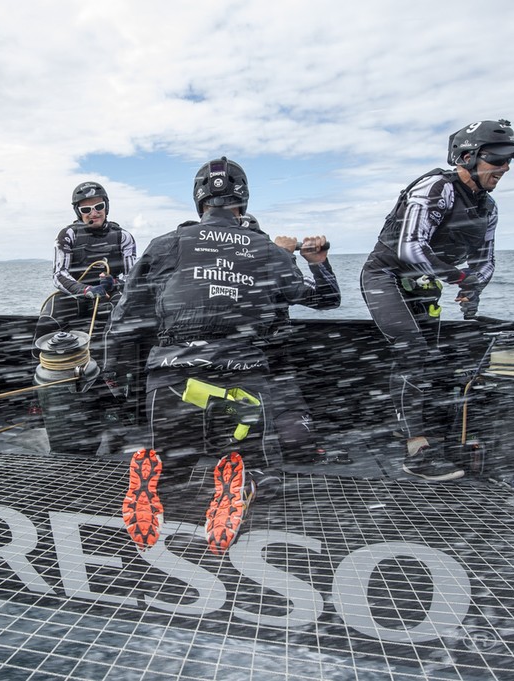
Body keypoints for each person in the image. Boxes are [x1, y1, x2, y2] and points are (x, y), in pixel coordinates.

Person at [105, 157, 338, 555]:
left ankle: (162, 470)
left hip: (172, 376)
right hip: (240, 374)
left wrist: (115, 369)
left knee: (174, 458)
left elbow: (125, 315)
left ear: (199, 201)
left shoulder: (167, 243)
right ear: (242, 201)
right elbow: (326, 300)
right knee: (260, 463)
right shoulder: (265, 247)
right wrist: (318, 262)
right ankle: (247, 476)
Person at [360, 119, 514, 482]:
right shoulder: (437, 187)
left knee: (426, 360)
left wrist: (473, 289)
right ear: (467, 157)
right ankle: (416, 451)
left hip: (424, 285)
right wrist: (460, 277)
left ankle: (405, 426)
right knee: (412, 350)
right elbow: (410, 248)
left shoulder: (489, 208)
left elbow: (486, 260)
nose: (505, 168)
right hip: (385, 277)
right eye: (498, 160)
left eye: (508, 161)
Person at [240, 214, 344, 466]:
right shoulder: (211, 272)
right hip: (228, 369)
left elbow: (328, 300)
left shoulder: (276, 267)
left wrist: (318, 263)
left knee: (299, 444)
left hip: (273, 369)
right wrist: (280, 255)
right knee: (234, 443)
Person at [34, 181, 137, 356]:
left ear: (106, 206)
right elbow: (59, 275)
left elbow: (132, 277)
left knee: (123, 321)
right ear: (78, 212)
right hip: (75, 293)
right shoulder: (68, 235)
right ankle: (41, 369)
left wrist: (114, 283)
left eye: (99, 206)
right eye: (86, 210)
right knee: (47, 321)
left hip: (108, 293)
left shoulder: (123, 236)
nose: (94, 213)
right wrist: (85, 290)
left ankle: (113, 371)